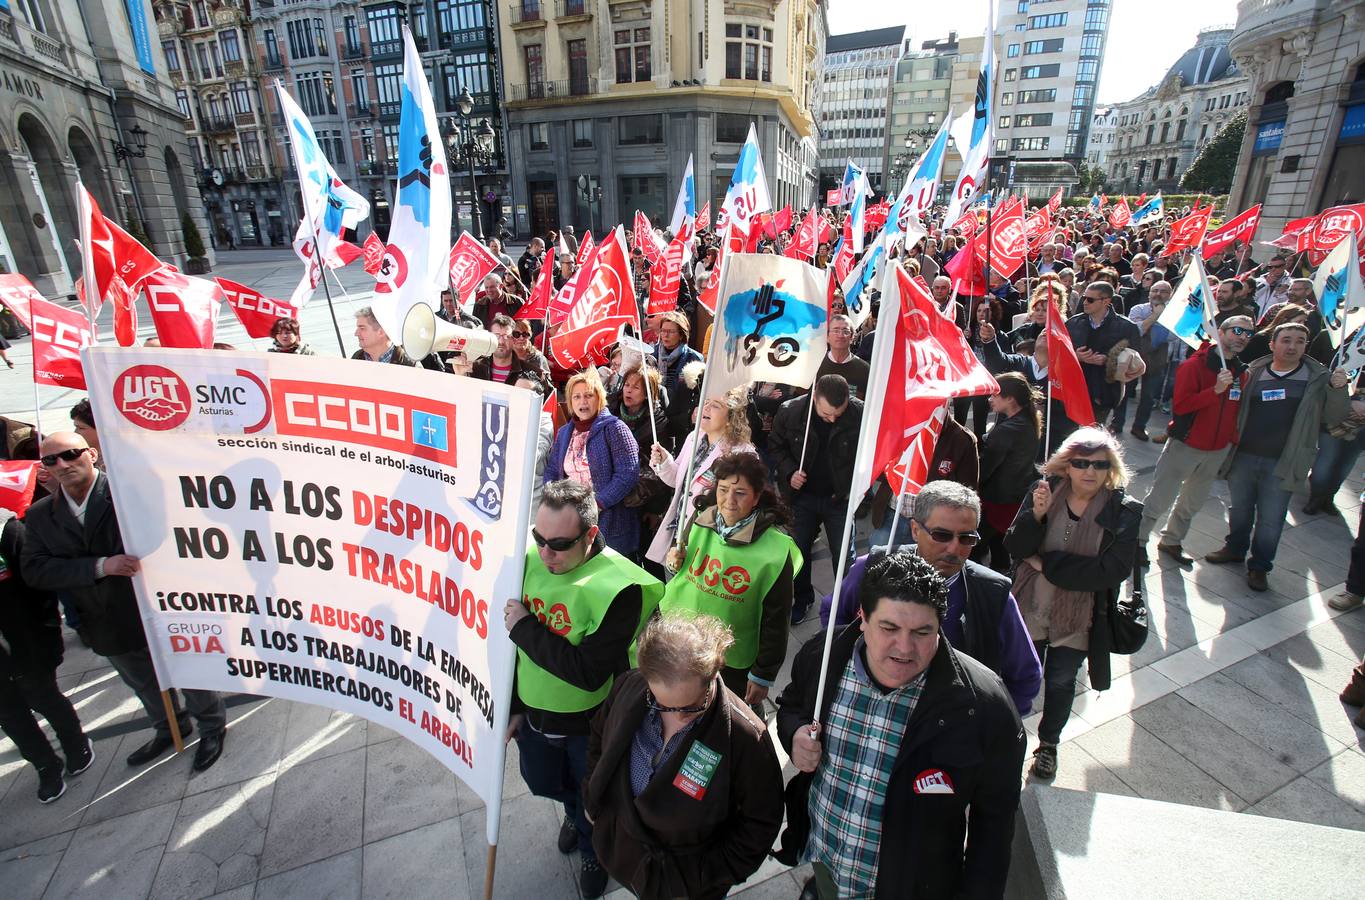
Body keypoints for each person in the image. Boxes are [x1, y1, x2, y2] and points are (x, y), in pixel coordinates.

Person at [775, 551, 1025, 899]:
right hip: (825, 867)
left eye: (923, 632)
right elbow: (791, 705)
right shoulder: (824, 655)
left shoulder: (982, 705)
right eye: (889, 628)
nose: (905, 648)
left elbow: (994, 829)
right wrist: (794, 732)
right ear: (862, 617)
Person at [23, 433, 227, 771]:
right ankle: (169, 727)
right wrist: (102, 565)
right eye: (51, 459)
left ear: (91, 453)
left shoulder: (133, 492)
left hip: (159, 605)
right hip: (103, 618)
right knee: (142, 683)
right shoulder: (42, 515)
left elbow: (173, 534)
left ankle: (211, 726)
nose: (62, 464)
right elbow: (37, 569)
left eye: (70, 454)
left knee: (188, 671)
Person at [505, 479, 662, 898]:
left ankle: (595, 851)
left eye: (558, 543)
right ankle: (572, 813)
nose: (545, 554)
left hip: (588, 723)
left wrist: (523, 627)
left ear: (591, 535)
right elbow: (505, 654)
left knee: (595, 798)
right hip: (534, 716)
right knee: (543, 782)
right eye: (538, 538)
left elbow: (587, 672)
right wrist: (512, 707)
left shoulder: (622, 587)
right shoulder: (528, 559)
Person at [583, 612, 784, 899]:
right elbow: (599, 737)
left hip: (688, 884)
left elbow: (761, 822)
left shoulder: (746, 736)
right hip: (626, 855)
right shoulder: (630, 685)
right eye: (661, 704)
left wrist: (702, 876)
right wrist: (593, 797)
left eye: (691, 706)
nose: (678, 719)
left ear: (713, 675)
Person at [828, 482, 1043, 715]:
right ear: (914, 530)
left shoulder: (993, 594)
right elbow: (832, 619)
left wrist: (1000, 725)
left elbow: (1026, 675)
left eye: (967, 538)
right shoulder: (871, 568)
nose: (953, 549)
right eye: (941, 535)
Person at [1005, 427, 1142, 780]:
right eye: (1081, 462)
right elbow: (1016, 547)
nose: (1090, 471)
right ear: (1067, 465)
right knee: (1017, 674)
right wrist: (1035, 518)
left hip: (1079, 615)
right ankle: (1004, 734)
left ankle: (1048, 744)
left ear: (1110, 467)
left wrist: (1046, 564)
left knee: (1062, 680)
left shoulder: (1123, 511)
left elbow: (1109, 571)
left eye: (1099, 464)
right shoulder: (1044, 492)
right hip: (1030, 605)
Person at [1206, 323, 1351, 591]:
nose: (1292, 346)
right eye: (1285, 340)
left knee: (1271, 519)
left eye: (1299, 341)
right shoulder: (1253, 372)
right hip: (1244, 456)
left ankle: (1260, 566)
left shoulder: (1318, 378)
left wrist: (1338, 389)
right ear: (1272, 344)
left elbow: (1334, 418)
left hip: (1284, 461)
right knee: (1239, 509)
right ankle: (1235, 548)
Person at [661, 452, 799, 704]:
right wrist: (674, 562)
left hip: (732, 660)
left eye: (741, 493)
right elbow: (681, 574)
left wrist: (763, 675)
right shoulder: (701, 519)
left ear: (757, 497)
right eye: (723, 489)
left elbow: (777, 619)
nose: (729, 501)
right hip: (684, 642)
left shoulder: (775, 549)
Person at [1137, 317, 1252, 566]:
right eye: (1238, 331)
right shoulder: (1194, 366)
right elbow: (1181, 405)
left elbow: (1236, 410)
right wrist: (1215, 392)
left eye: (1248, 334)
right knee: (1160, 497)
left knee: (1192, 502)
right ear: (1220, 333)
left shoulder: (1241, 372)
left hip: (1217, 450)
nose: (1243, 337)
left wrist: (1230, 441)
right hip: (1186, 446)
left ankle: (1172, 541)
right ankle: (1138, 541)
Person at [0, 505, 94, 803]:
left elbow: (40, 589)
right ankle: (45, 763)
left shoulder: (9, 531)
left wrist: (46, 641)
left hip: (26, 644)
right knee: (10, 715)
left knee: (44, 698)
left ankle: (75, 743)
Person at [769, 375, 863, 624]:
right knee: (799, 553)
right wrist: (790, 471)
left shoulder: (859, 413)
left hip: (839, 498)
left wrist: (855, 488)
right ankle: (803, 598)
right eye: (826, 414)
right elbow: (776, 445)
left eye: (838, 414)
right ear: (814, 399)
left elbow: (867, 454)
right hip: (802, 498)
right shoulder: (791, 411)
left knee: (845, 555)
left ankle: (846, 604)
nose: (832, 419)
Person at [646, 387, 755, 570]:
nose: (705, 409)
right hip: (679, 533)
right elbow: (677, 481)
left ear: (731, 418)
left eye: (715, 405)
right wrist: (664, 461)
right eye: (705, 403)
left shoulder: (742, 453)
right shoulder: (693, 438)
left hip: (709, 540)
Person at [545, 372, 642, 557]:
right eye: (577, 396)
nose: (583, 401)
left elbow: (628, 473)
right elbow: (552, 470)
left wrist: (597, 503)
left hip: (609, 522)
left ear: (599, 398)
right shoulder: (565, 432)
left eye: (589, 395)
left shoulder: (615, 428)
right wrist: (555, 499)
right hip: (571, 520)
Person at [977, 373, 1042, 571]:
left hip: (996, 500)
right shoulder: (1029, 422)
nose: (990, 399)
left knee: (974, 548)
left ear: (1010, 398)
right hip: (1014, 497)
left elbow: (985, 468)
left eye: (995, 395)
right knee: (999, 546)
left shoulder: (1007, 430)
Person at [1065, 281, 1141, 429]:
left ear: (1106, 301)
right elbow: (1058, 352)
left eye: (1090, 299)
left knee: (1091, 434)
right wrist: (1075, 355)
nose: (1085, 302)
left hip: (1103, 390)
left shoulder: (1126, 327)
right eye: (1084, 298)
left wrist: (1109, 360)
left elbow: (1135, 359)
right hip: (1074, 388)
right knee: (1069, 432)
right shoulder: (1073, 322)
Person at [1123, 278, 1173, 440]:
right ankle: (1116, 424)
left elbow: (1175, 338)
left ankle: (1139, 427)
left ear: (1170, 294)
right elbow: (1137, 331)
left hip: (1157, 359)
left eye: (1163, 291)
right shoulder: (1139, 309)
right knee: (1124, 391)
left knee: (1148, 396)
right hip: (1134, 356)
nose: (1158, 294)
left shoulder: (1175, 314)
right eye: (1155, 290)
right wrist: (1156, 315)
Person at [653, 311, 704, 448]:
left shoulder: (694, 358)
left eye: (670, 331)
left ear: (681, 334)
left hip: (681, 419)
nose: (665, 335)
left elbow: (699, 392)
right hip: (657, 416)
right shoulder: (652, 353)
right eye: (663, 331)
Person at [815, 314, 870, 400]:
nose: (840, 335)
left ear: (852, 337)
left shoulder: (865, 370)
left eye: (845, 331)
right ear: (827, 336)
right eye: (836, 330)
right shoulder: (815, 364)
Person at [471, 314, 538, 384]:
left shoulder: (530, 372)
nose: (501, 341)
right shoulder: (475, 368)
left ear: (513, 339)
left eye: (506, 336)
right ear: (490, 337)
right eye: (497, 335)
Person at [351, 307, 416, 365]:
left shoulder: (409, 365)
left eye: (362, 328)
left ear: (381, 332)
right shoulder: (356, 359)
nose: (356, 333)